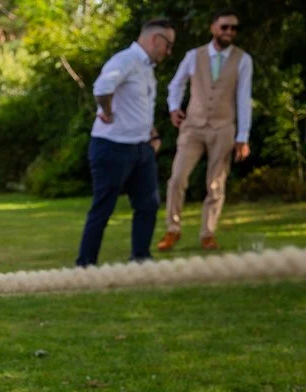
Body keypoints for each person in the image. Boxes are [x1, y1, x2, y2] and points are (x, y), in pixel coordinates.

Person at [75, 19, 176, 267]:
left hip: (141, 148)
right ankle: (85, 265)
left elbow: (139, 108)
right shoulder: (125, 60)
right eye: (169, 45)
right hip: (112, 146)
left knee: (148, 204)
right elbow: (102, 88)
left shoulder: (146, 69)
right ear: (155, 40)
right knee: (103, 207)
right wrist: (107, 112)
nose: (169, 52)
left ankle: (140, 258)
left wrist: (152, 135)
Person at [159, 8, 253, 252]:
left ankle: (208, 233)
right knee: (177, 178)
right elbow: (176, 84)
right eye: (225, 27)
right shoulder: (194, 56)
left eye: (234, 28)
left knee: (215, 184)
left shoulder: (243, 59)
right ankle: (172, 229)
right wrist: (173, 108)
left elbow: (244, 99)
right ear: (213, 28)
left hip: (223, 127)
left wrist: (242, 137)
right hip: (193, 126)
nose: (229, 32)